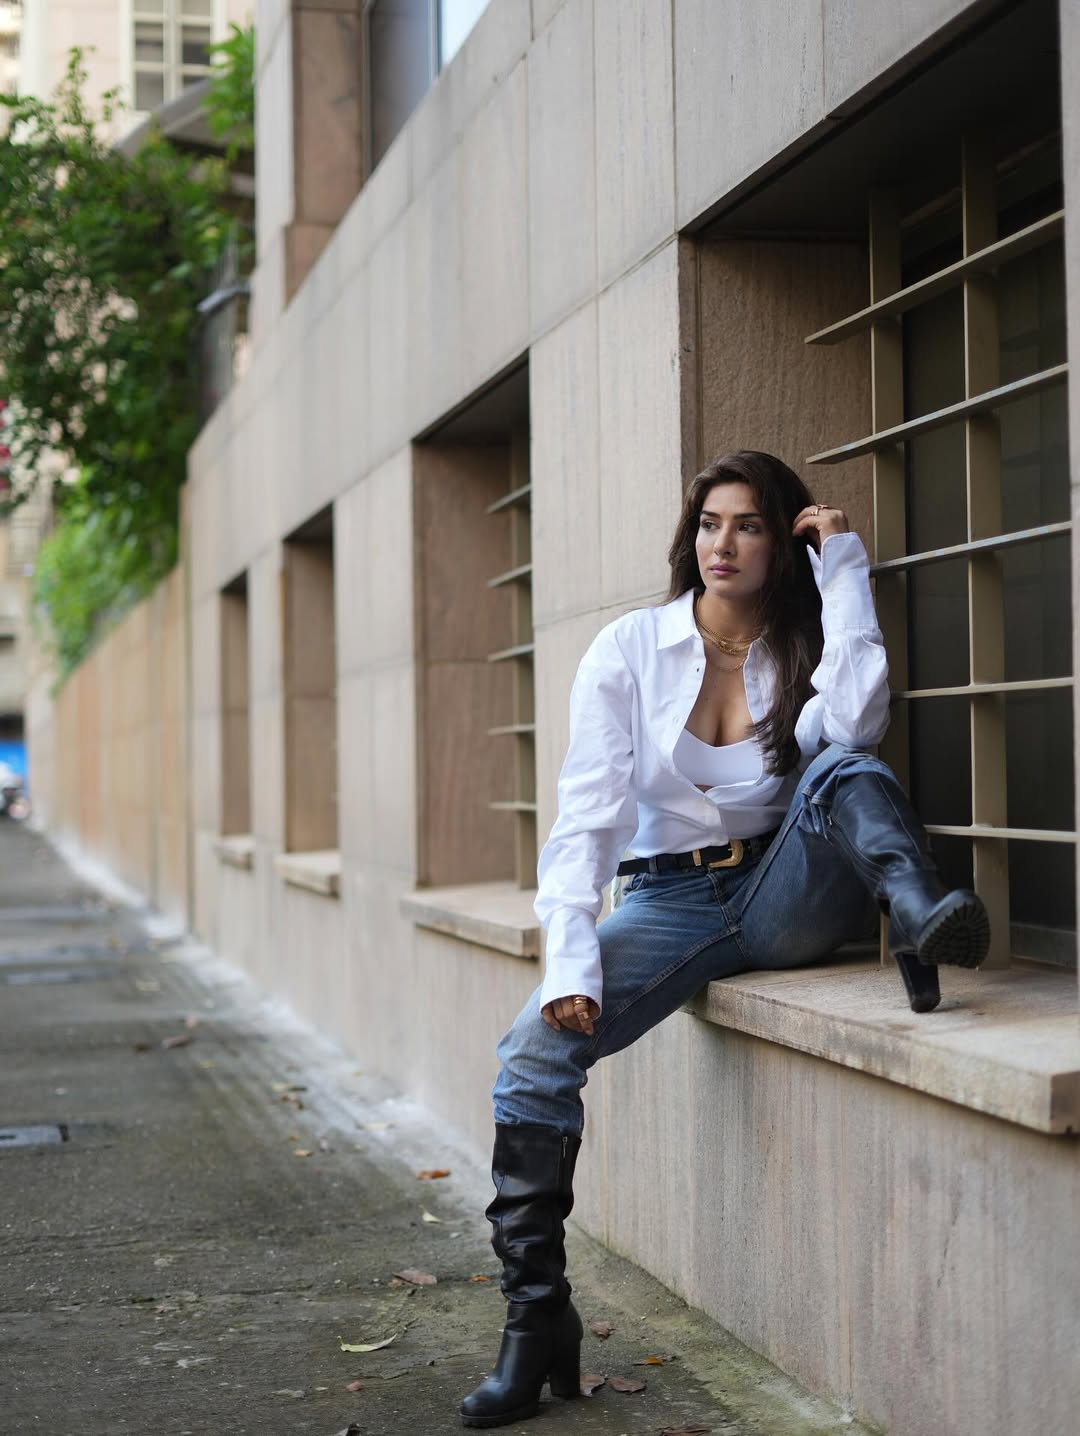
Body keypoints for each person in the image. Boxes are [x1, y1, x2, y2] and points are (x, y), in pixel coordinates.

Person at [459, 450, 989, 1429]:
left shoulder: (802, 640)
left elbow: (860, 716)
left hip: (786, 887)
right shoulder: (628, 650)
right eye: (710, 522)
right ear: (689, 536)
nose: (724, 543)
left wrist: (845, 569)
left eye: (749, 524)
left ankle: (918, 907)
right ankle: (537, 1321)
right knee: (529, 1056)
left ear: (778, 539)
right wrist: (569, 960)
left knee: (839, 768)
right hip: (668, 902)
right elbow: (585, 819)